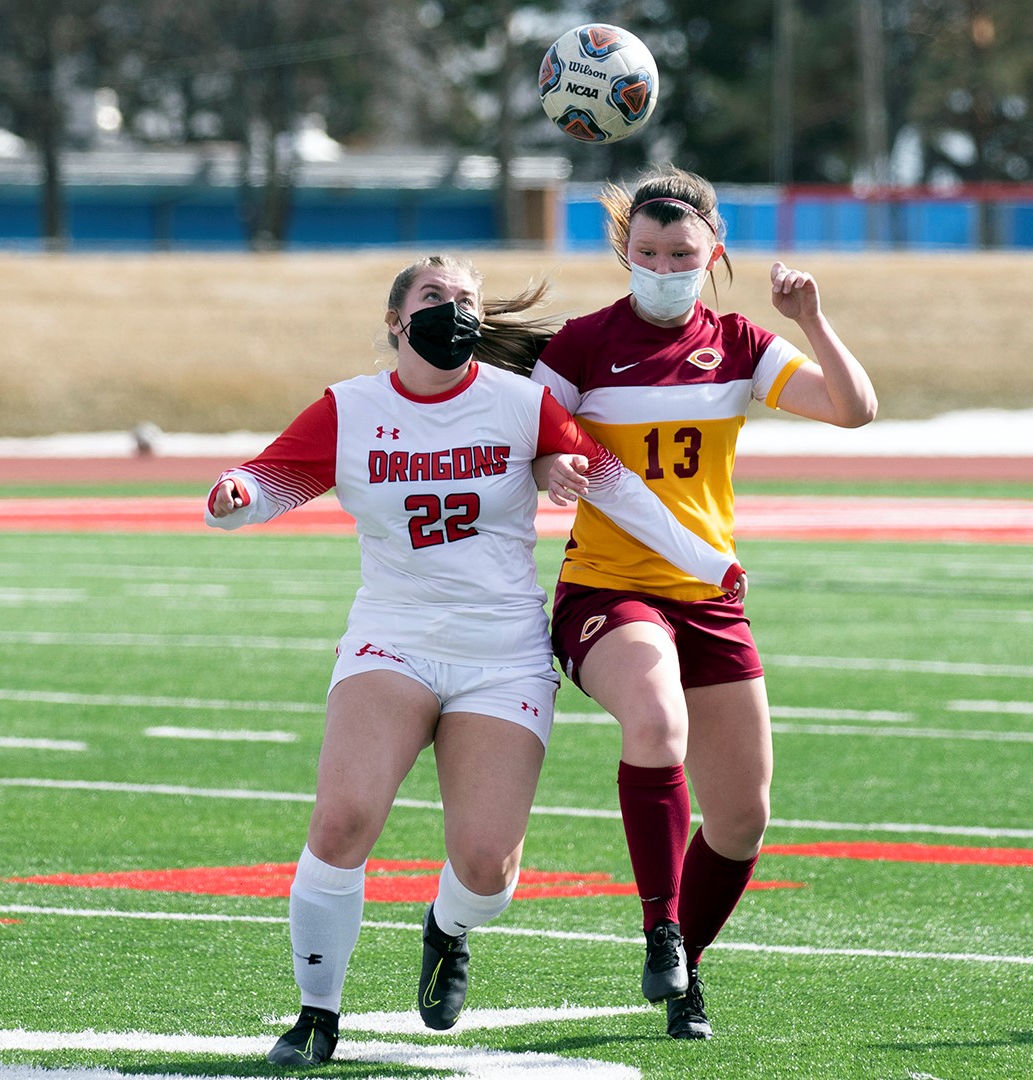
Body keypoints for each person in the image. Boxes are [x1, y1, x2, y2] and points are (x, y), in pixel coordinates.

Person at [202, 255, 745, 1068]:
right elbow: (267, 481)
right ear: (395, 320)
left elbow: (614, 485)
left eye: (465, 301)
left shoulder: (521, 403)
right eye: (433, 298)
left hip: (502, 651)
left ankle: (449, 927)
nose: (450, 311)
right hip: (394, 636)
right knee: (344, 818)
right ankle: (316, 1012)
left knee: (487, 870)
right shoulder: (351, 407)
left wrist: (704, 561)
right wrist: (234, 498)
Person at [530, 166, 877, 1040]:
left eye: (680, 252)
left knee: (743, 818)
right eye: (646, 251)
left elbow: (854, 408)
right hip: (608, 590)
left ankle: (685, 975)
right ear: (624, 252)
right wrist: (550, 466)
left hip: (709, 598)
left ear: (711, 251)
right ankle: (663, 928)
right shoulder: (579, 344)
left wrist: (812, 320)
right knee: (655, 724)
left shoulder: (740, 342)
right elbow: (526, 442)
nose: (662, 265)